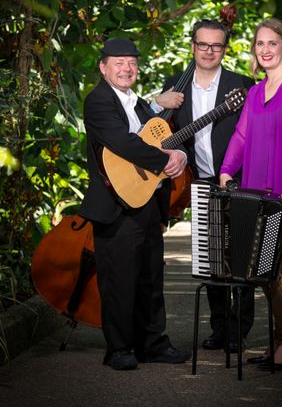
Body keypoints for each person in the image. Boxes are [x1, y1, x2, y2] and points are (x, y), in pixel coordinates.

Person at [79, 38, 191, 371]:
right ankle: (118, 349)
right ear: (103, 67)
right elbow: (122, 142)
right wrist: (164, 159)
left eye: (131, 63)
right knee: (118, 280)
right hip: (115, 204)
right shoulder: (97, 100)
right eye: (119, 62)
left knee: (150, 277)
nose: (127, 68)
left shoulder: (140, 104)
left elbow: (158, 136)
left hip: (146, 200)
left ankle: (153, 344)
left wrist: (180, 153)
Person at [219, 18, 282, 370]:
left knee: (273, 264)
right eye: (259, 44)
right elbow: (242, 136)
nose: (265, 50)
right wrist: (228, 168)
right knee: (266, 265)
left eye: (272, 43)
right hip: (254, 188)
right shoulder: (257, 91)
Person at [154, 19, 256, 353]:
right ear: (193, 46)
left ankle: (238, 331)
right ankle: (219, 327)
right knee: (212, 257)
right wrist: (158, 102)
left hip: (241, 179)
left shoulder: (243, 85)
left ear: (225, 49)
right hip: (198, 180)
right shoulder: (175, 87)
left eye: (216, 45)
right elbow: (155, 134)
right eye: (202, 44)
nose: (209, 51)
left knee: (240, 256)